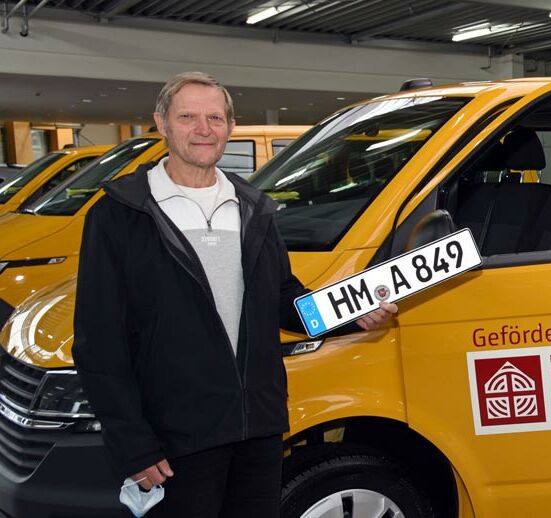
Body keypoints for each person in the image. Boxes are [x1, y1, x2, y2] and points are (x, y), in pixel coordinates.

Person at [73, 71, 397, 517]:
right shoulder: (120, 215)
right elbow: (99, 341)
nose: (203, 129)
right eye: (188, 116)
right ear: (162, 123)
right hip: (175, 440)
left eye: (215, 118)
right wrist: (132, 444)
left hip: (257, 430)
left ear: (229, 126)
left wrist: (351, 311)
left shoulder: (253, 208)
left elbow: (284, 298)